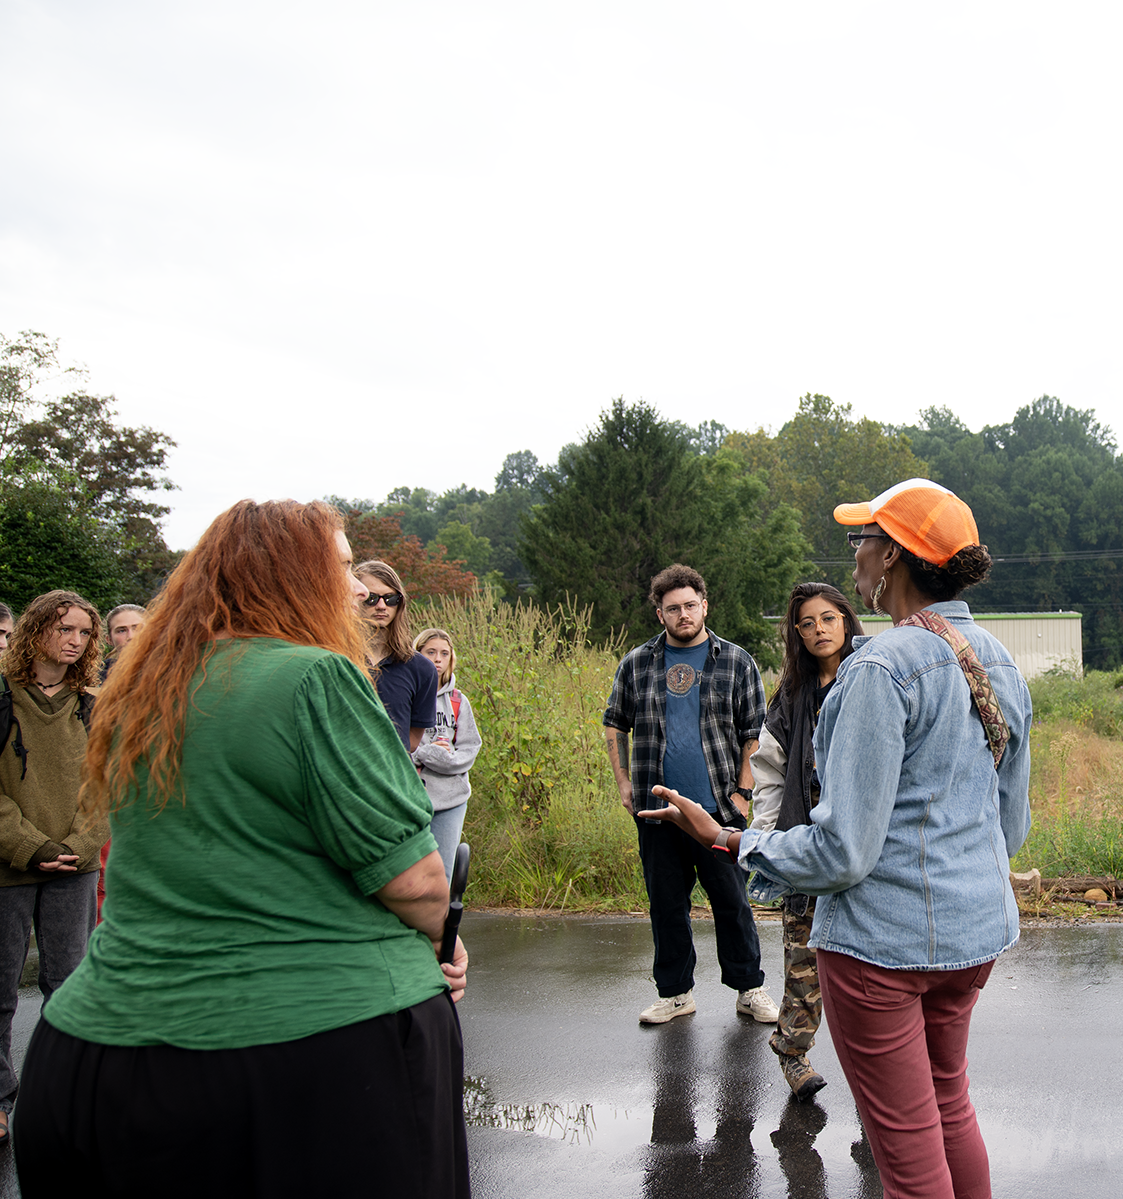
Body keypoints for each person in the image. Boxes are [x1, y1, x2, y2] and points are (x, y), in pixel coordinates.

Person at [13, 501, 470, 1198]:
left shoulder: (141, 685)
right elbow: (415, 882)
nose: (356, 590)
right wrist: (444, 938)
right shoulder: (315, 676)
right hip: (311, 1059)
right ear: (291, 576)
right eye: (343, 567)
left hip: (91, 1051)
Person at [638, 480, 1032, 1199]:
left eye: (863, 540)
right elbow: (1009, 824)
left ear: (894, 558)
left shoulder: (877, 669)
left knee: (907, 1148)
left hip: (882, 949)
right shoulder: (999, 660)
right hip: (973, 939)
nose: (855, 555)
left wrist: (731, 839)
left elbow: (841, 852)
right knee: (950, 1106)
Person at [604, 563, 779, 1025]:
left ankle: (749, 989)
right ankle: (676, 994)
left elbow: (753, 734)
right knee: (666, 905)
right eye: (672, 608)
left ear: (704, 604)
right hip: (657, 811)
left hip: (719, 810)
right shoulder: (638, 663)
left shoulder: (736, 661)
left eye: (689, 605)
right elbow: (613, 723)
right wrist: (623, 781)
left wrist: (742, 796)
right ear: (660, 614)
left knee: (733, 904)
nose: (682, 614)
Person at [0, 591, 108, 1150]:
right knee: (0, 991)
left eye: (85, 633)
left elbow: (106, 786)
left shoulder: (92, 704)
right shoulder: (4, 700)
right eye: (64, 628)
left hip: (75, 866)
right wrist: (32, 846)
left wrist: (77, 846)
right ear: (36, 629)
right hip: (10, 868)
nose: (75, 639)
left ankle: (63, 1092)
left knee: (68, 985)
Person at [749, 582, 862, 1102]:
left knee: (867, 972)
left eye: (827, 619)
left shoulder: (869, 678)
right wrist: (771, 838)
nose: (819, 630)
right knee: (804, 960)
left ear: (846, 620)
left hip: (861, 850)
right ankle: (793, 1054)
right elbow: (769, 771)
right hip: (806, 846)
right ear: (797, 633)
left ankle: (876, 1078)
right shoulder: (792, 695)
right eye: (807, 623)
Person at [412, 628, 482, 882]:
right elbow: (396, 746)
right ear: (417, 654)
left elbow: (469, 749)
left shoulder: (458, 701)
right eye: (430, 652)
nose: (437, 659)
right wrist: (428, 754)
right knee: (410, 872)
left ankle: (441, 922)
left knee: (443, 875)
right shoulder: (405, 696)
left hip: (452, 799)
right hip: (412, 797)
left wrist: (445, 759)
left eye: (444, 653)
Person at [355, 560, 438, 752]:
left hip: (394, 777)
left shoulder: (421, 669)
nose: (382, 606)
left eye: (390, 599)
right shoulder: (336, 660)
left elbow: (411, 741)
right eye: (372, 598)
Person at [99, 603, 147, 682]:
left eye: (138, 628)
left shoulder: (170, 670)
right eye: (121, 631)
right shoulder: (95, 678)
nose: (131, 636)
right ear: (109, 640)